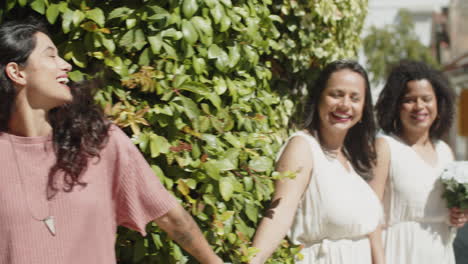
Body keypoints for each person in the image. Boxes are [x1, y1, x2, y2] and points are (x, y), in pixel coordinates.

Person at [0, 18, 223, 264]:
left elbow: (168, 215)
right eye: (51, 56)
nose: (66, 65)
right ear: (16, 72)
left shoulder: (97, 142)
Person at [249, 60, 383, 264]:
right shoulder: (303, 147)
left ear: (364, 108)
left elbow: (371, 229)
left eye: (355, 98)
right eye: (336, 94)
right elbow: (280, 212)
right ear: (319, 97)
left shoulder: (354, 155)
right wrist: (252, 261)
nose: (345, 105)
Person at [370, 60, 466, 264]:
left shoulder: (445, 151)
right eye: (409, 99)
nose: (419, 106)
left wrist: (455, 217)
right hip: (398, 251)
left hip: (439, 252)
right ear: (396, 105)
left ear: (438, 104)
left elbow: (444, 213)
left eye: (426, 99)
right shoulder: (385, 147)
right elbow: (370, 216)